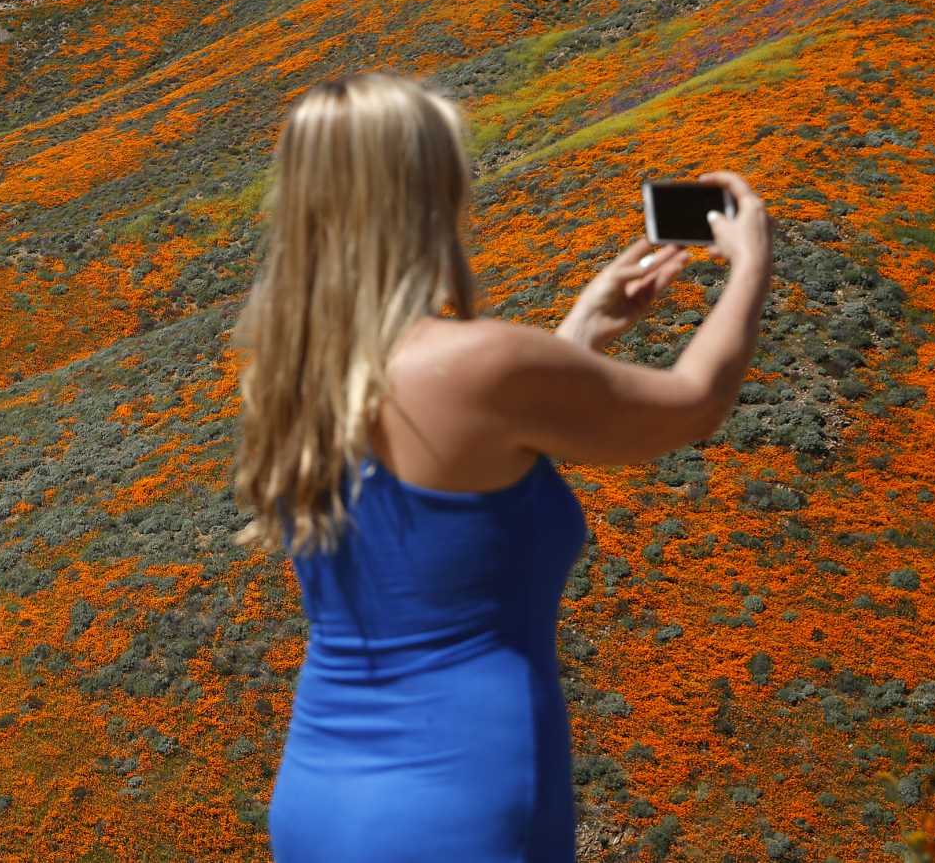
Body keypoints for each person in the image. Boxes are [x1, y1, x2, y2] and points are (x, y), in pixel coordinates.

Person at [228, 70, 771, 862]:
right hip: (458, 806)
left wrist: (579, 329)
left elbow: (459, 460)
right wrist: (750, 261)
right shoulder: (477, 364)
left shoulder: (300, 376)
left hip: (321, 798)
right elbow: (693, 402)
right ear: (426, 194)